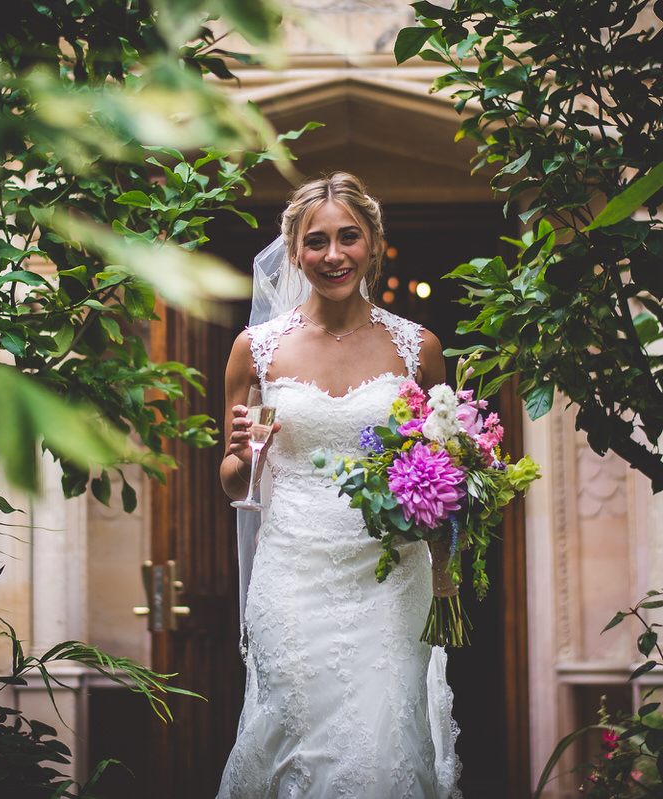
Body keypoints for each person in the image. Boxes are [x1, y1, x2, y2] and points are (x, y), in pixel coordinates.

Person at [217, 172, 461, 798]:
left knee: (381, 750)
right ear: (294, 252)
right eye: (316, 242)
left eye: (348, 238)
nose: (333, 256)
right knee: (295, 739)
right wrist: (245, 454)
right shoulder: (256, 351)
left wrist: (446, 564)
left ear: (374, 243)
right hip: (293, 573)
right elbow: (232, 480)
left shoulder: (418, 349)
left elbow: (444, 470)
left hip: (389, 575)